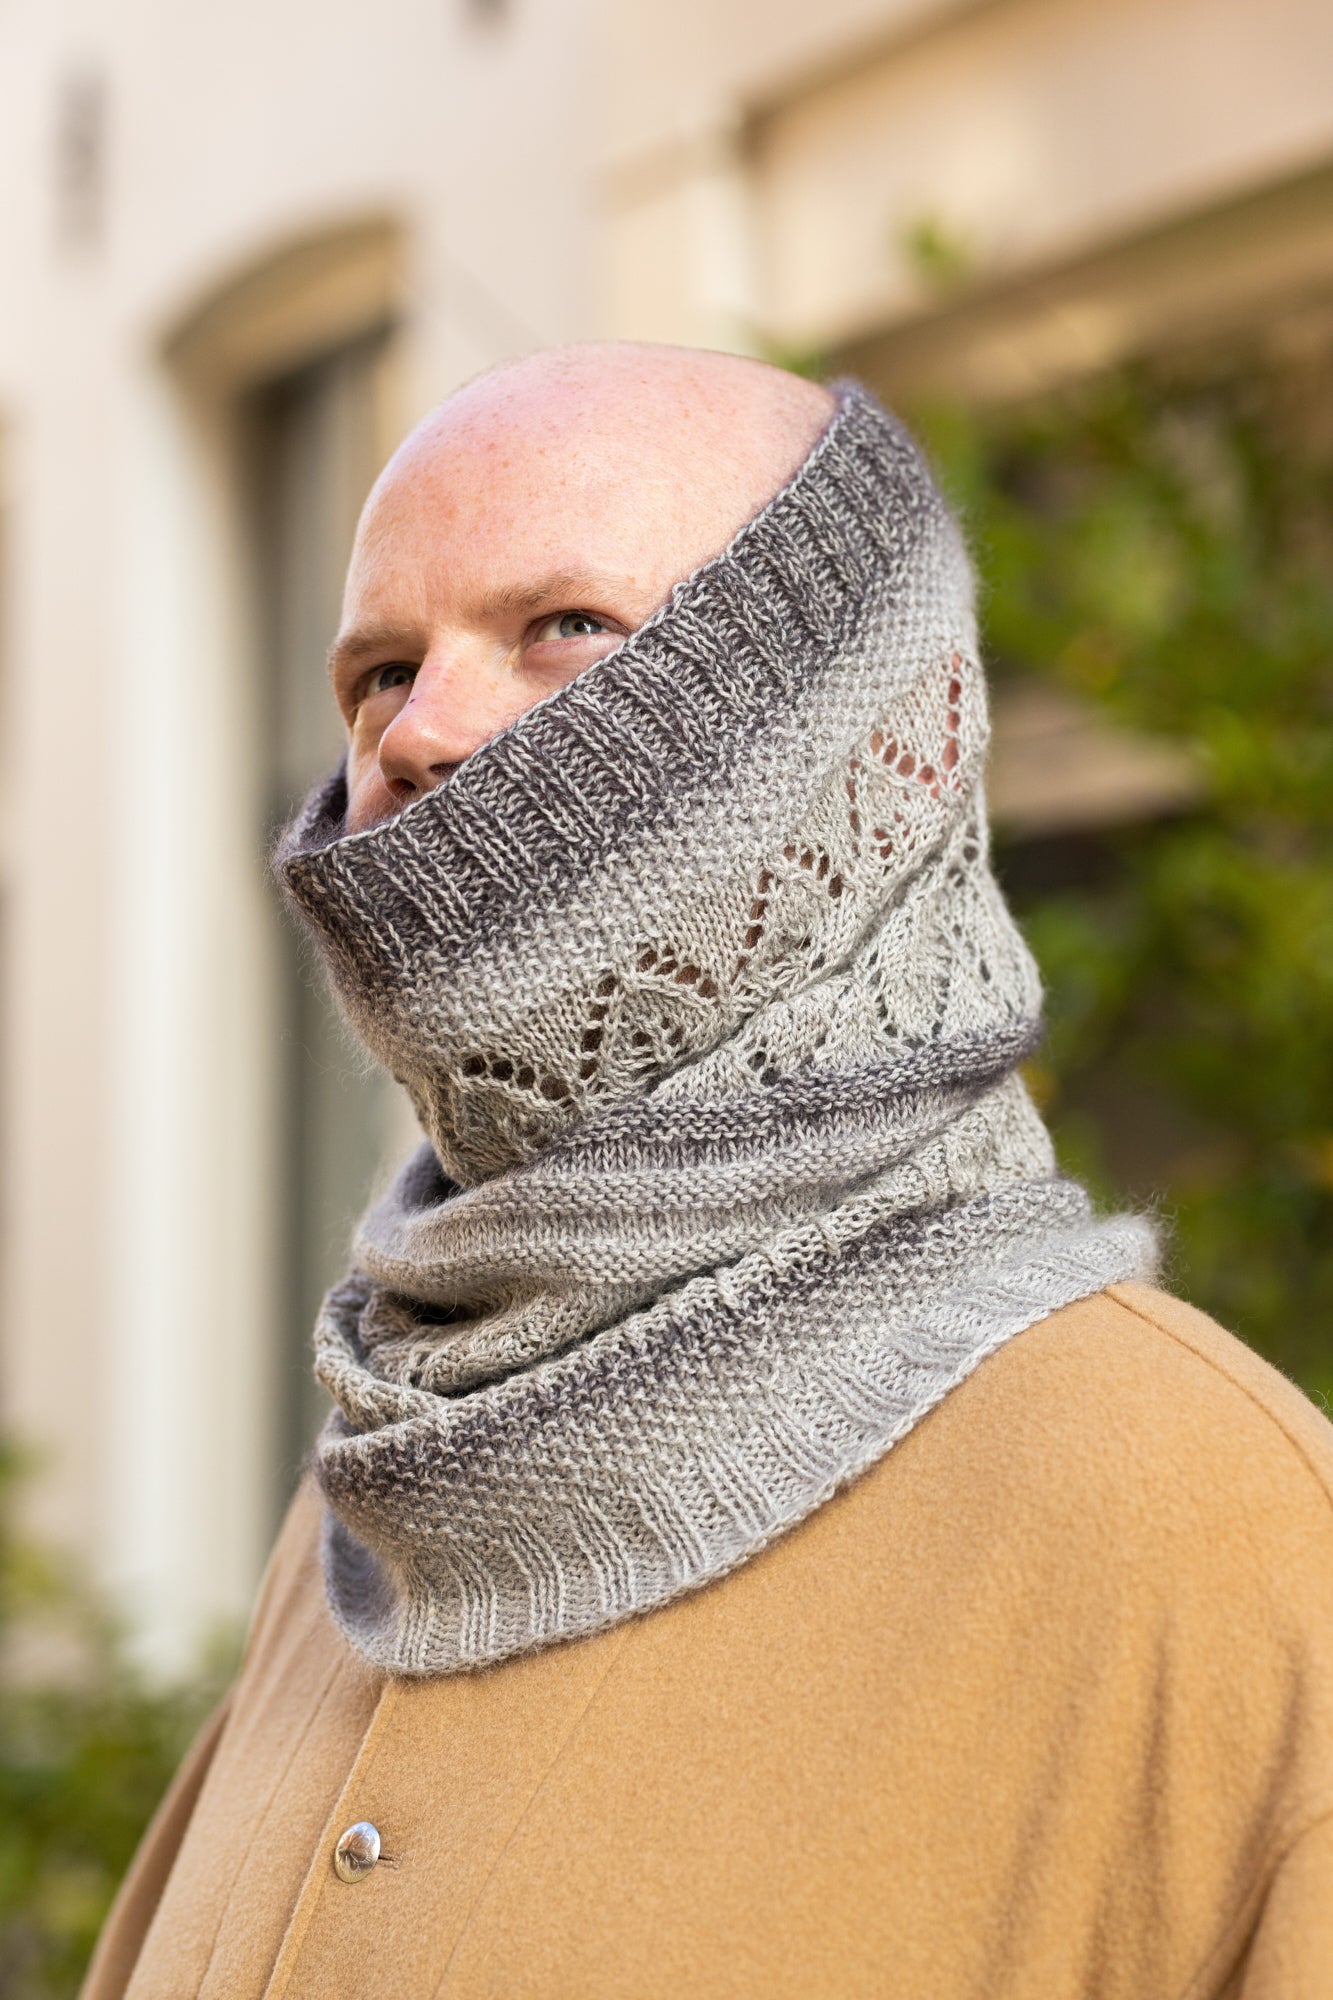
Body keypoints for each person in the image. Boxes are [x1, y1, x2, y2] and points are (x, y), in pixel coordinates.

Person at [83, 346, 1333, 1999]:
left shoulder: (1208, 1534)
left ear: (858, 747)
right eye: (378, 670)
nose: (416, 736)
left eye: (564, 629)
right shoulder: (370, 1492)